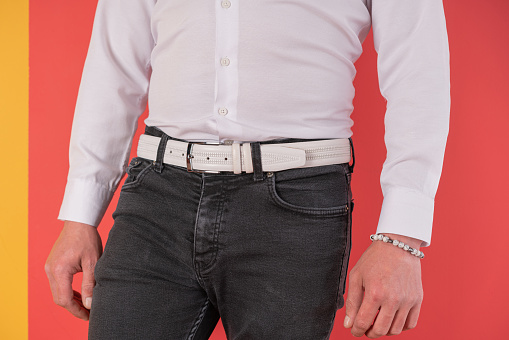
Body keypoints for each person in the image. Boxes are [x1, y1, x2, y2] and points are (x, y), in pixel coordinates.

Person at [45, 0, 450, 339]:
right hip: (157, 197)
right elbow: (113, 67)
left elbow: (419, 72)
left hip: (295, 208)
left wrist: (401, 240)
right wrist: (79, 216)